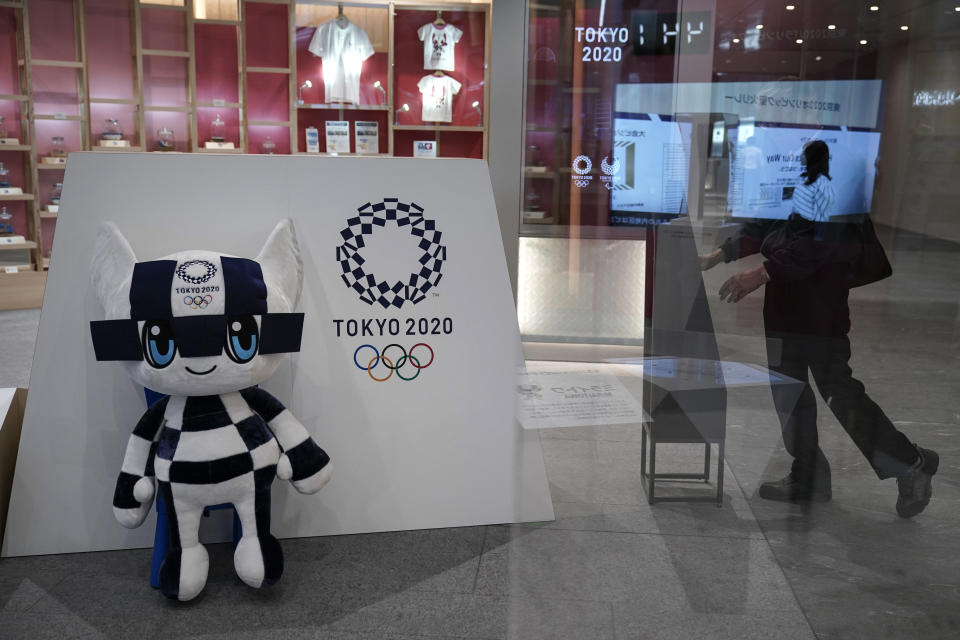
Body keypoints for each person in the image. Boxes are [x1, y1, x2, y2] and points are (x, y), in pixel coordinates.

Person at [699, 140, 938, 518]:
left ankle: (911, 463)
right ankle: (808, 475)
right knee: (788, 393)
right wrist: (721, 254)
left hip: (818, 317)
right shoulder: (807, 190)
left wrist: (761, 272)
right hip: (785, 313)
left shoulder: (840, 204)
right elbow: (768, 224)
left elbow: (814, 251)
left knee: (839, 395)